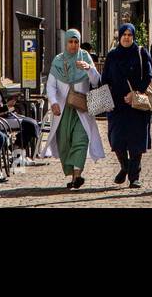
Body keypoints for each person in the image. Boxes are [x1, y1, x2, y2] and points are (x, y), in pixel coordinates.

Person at [42, 29, 105, 189]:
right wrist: (54, 102)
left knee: (81, 140)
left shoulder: (84, 57)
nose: (73, 45)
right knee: (64, 144)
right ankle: (71, 174)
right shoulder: (58, 60)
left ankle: (77, 175)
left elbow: (96, 80)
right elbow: (50, 85)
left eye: (76, 41)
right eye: (71, 41)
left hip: (81, 109)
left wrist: (88, 68)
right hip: (62, 111)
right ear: (66, 42)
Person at [100, 23, 152, 188]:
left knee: (136, 141)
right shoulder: (113, 56)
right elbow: (105, 79)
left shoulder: (141, 53)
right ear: (120, 36)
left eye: (130, 35)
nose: (127, 37)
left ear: (134, 36)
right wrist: (106, 100)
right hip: (117, 106)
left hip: (137, 105)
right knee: (116, 140)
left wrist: (135, 93)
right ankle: (125, 166)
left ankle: (134, 176)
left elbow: (148, 76)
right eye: (124, 34)